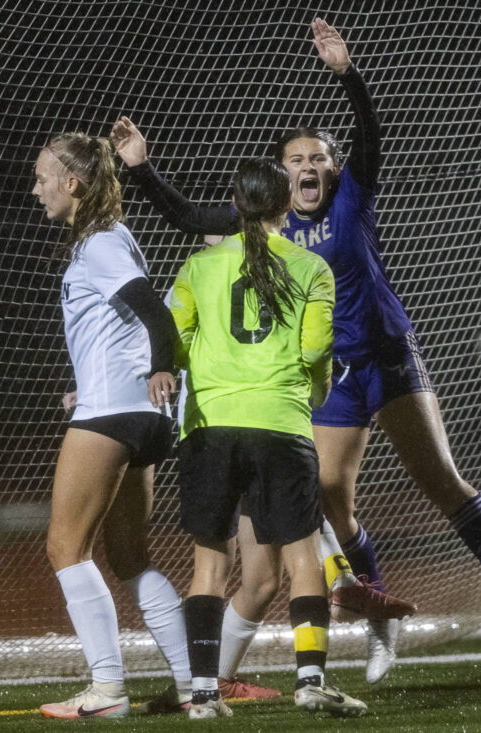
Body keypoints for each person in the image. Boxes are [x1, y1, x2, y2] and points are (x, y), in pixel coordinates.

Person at [110, 17, 481, 684]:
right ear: (280, 178)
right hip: (329, 375)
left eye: (319, 157)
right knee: (330, 500)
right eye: (297, 159)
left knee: (440, 481)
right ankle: (380, 621)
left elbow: (371, 135)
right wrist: (142, 171)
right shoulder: (266, 221)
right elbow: (190, 218)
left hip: (388, 358)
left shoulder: (353, 197)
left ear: (333, 168)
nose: (310, 166)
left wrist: (349, 75)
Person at [169, 155, 365, 718]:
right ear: (286, 207)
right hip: (280, 422)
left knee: (209, 566)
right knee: (303, 557)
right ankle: (310, 681)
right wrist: (316, 393)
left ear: (235, 203)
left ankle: (204, 694)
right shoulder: (311, 267)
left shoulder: (199, 266)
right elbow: (315, 351)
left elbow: (176, 341)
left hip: (210, 427)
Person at [31, 132, 191, 718]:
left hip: (117, 412)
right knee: (130, 555)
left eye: (43, 176)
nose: (36, 188)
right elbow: (120, 327)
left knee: (65, 546)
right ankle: (196, 688)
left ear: (72, 184)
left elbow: (155, 313)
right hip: (134, 411)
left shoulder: (99, 244)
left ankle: (107, 691)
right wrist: (103, 382)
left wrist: (159, 370)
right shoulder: (106, 240)